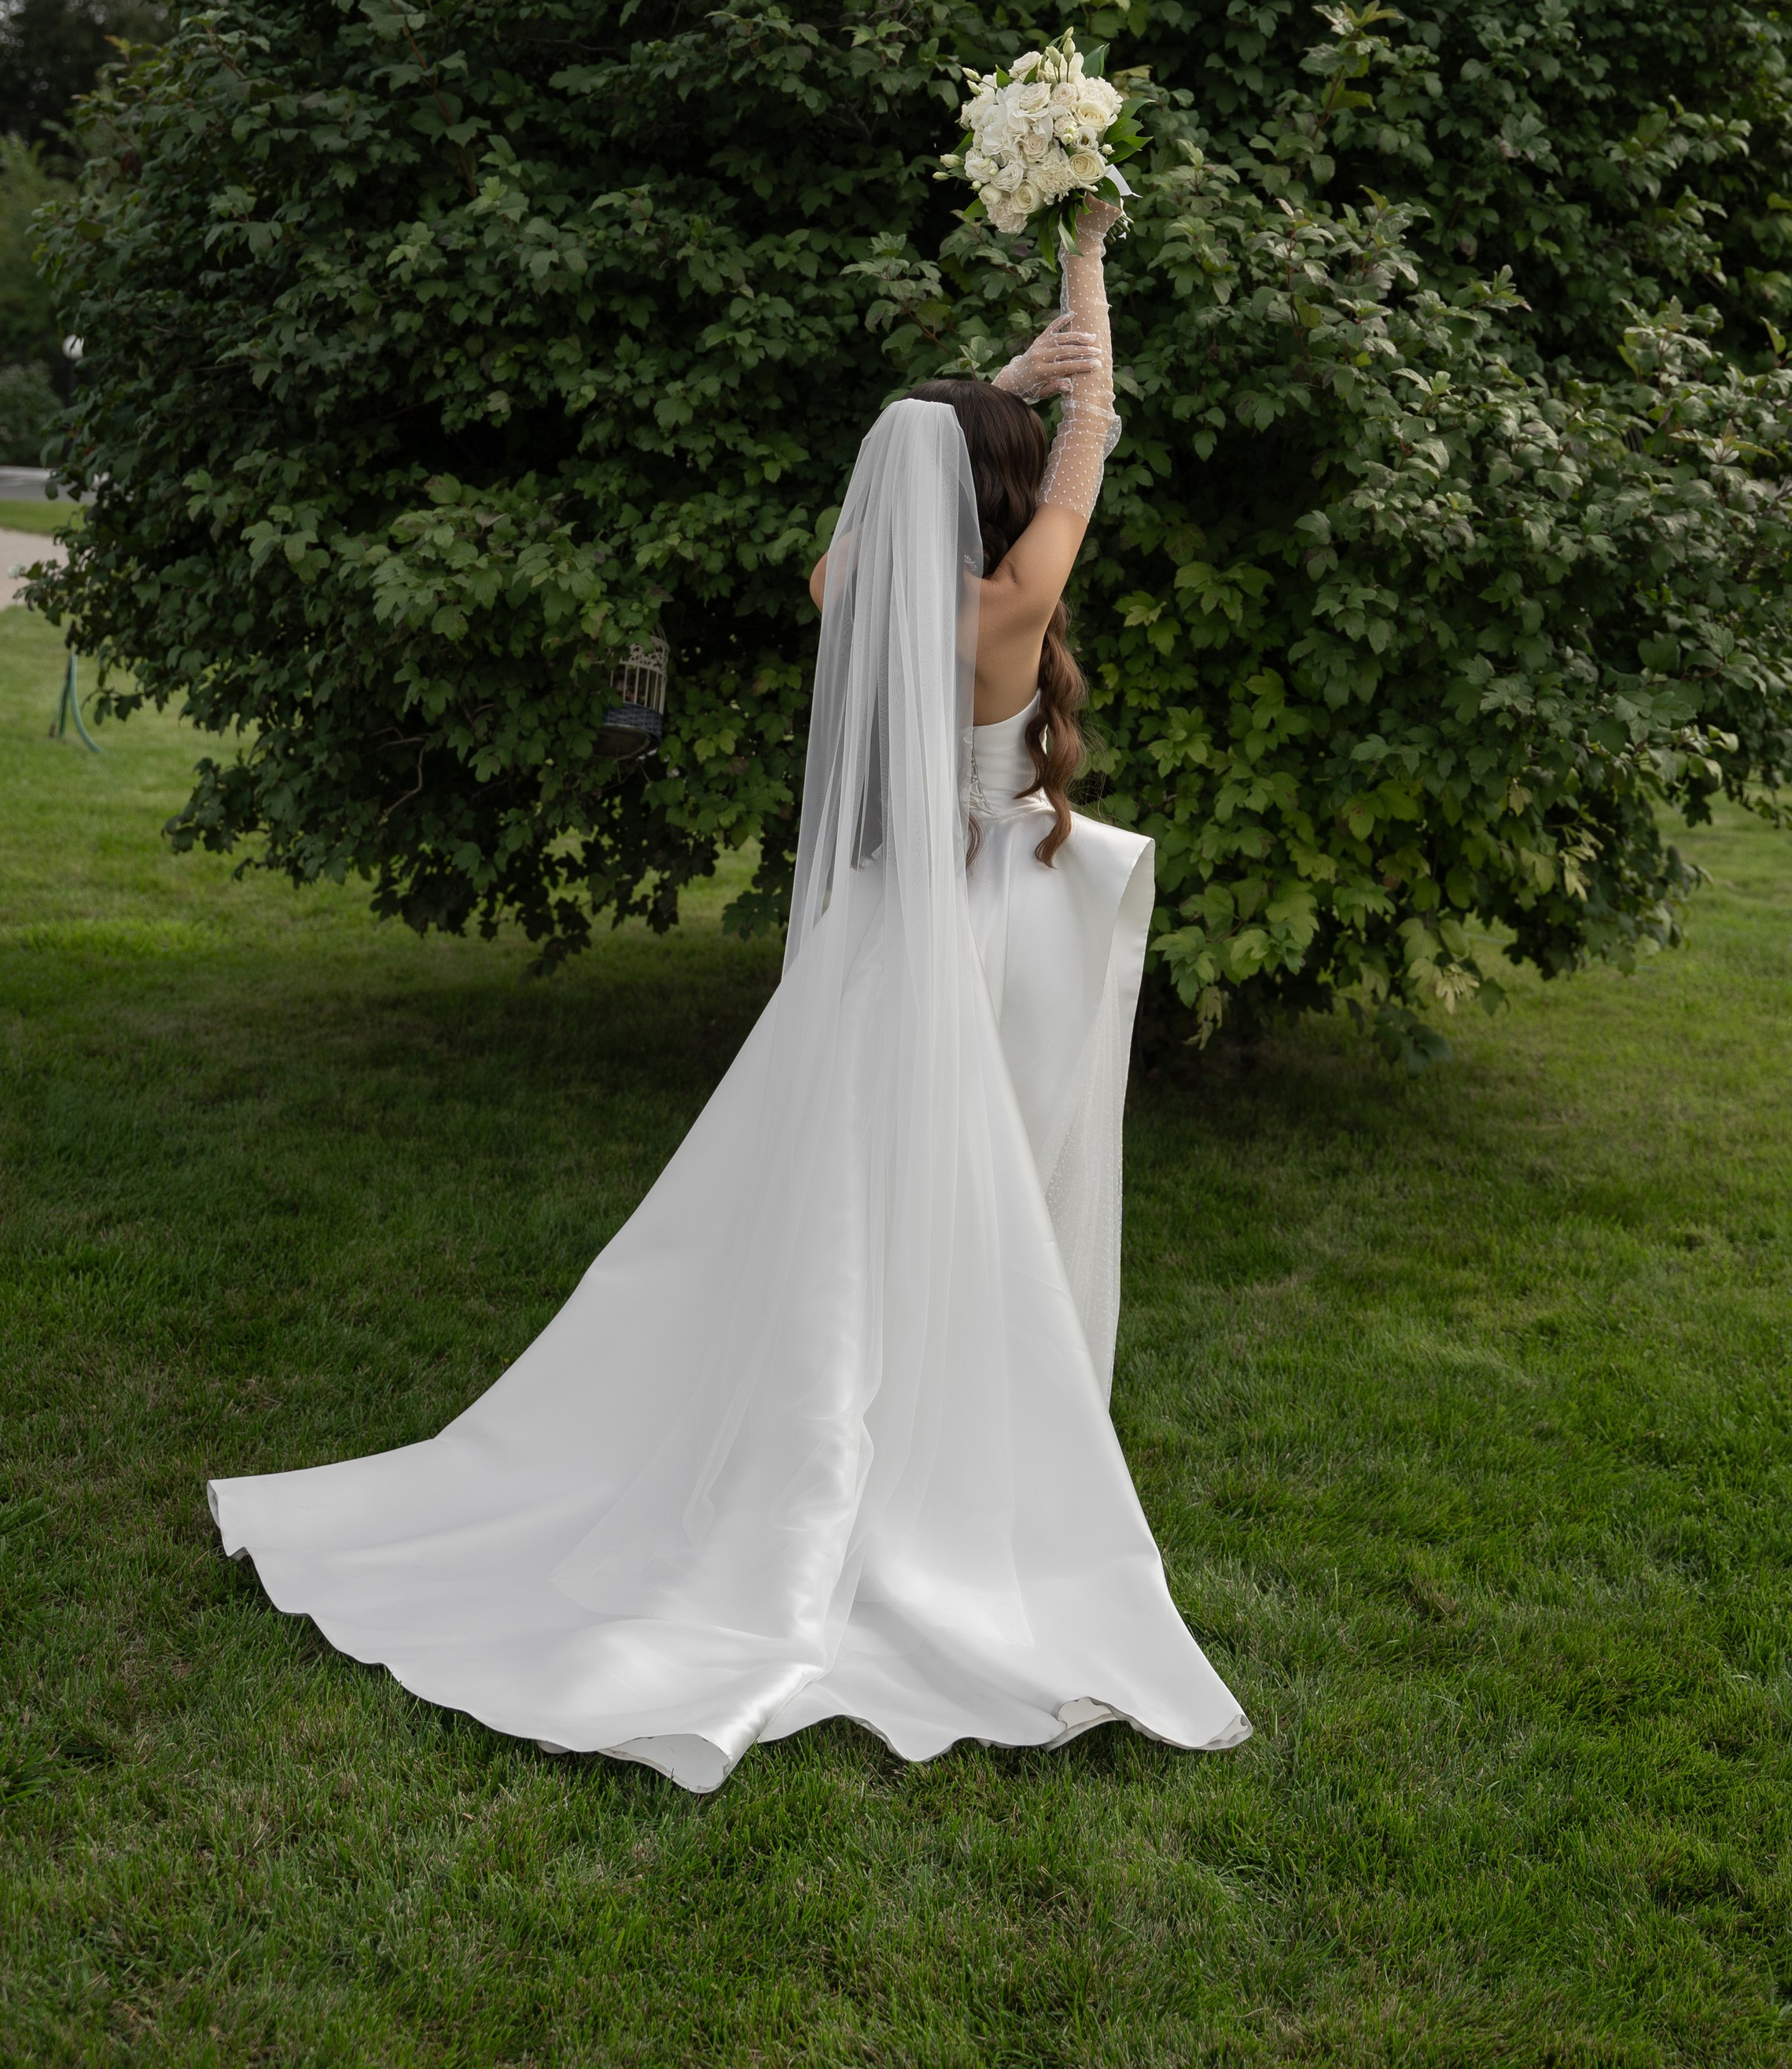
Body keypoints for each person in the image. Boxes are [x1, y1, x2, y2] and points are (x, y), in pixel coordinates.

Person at [209, 199, 1249, 1792]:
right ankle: (950, 1446)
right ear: (991, 492)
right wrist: (1083, 258)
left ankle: (849, 1421)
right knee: (982, 1191)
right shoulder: (1010, 605)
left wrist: (992, 375)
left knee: (836, 1192)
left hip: (880, 933)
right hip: (992, 929)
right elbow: (1093, 429)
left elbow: (867, 534)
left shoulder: (870, 598)